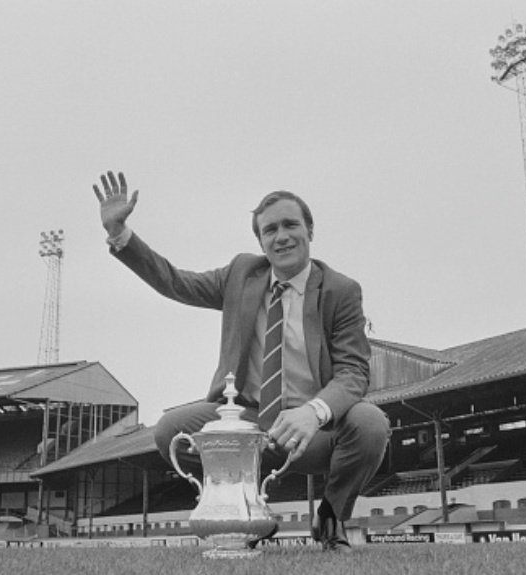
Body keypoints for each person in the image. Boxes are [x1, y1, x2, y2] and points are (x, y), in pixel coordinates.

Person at [91, 170, 389, 552]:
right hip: (249, 424)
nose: (281, 236)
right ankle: (247, 513)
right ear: (261, 242)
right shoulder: (241, 275)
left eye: (290, 225)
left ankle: (331, 516)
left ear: (310, 231)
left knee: (370, 423)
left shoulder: (340, 290)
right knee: (171, 430)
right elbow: (175, 282)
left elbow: (353, 373)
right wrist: (122, 236)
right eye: (270, 230)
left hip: (312, 432)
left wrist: (313, 412)